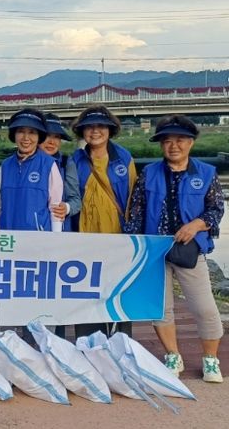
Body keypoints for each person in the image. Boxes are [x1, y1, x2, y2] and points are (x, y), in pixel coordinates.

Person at [124, 115, 224, 383]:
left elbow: (216, 209)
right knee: (161, 307)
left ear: (191, 143)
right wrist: (133, 246)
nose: (173, 146)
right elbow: (137, 212)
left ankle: (210, 359)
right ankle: (172, 355)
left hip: (190, 249)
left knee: (204, 307)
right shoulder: (149, 173)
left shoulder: (206, 173)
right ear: (161, 145)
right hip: (154, 250)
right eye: (167, 141)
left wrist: (197, 225)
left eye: (180, 140)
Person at [71, 105, 136, 338]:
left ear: (110, 130)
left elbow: (134, 198)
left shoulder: (123, 158)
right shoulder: (75, 160)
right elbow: (70, 197)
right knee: (86, 294)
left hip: (117, 238)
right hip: (85, 239)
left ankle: (121, 344)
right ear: (82, 131)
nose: (95, 131)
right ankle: (89, 346)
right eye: (89, 127)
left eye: (101, 126)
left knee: (118, 294)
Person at [0, 108, 63, 233]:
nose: (26, 138)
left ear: (39, 136)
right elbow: (1, 204)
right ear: (14, 134)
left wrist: (56, 239)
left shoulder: (48, 164)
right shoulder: (5, 165)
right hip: (9, 236)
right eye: (21, 131)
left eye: (32, 132)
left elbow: (55, 208)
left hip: (37, 238)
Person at [38, 113, 82, 231]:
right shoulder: (24, 162)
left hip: (60, 229)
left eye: (57, 137)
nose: (52, 142)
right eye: (47, 135)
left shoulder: (66, 163)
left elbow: (76, 200)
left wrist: (66, 208)